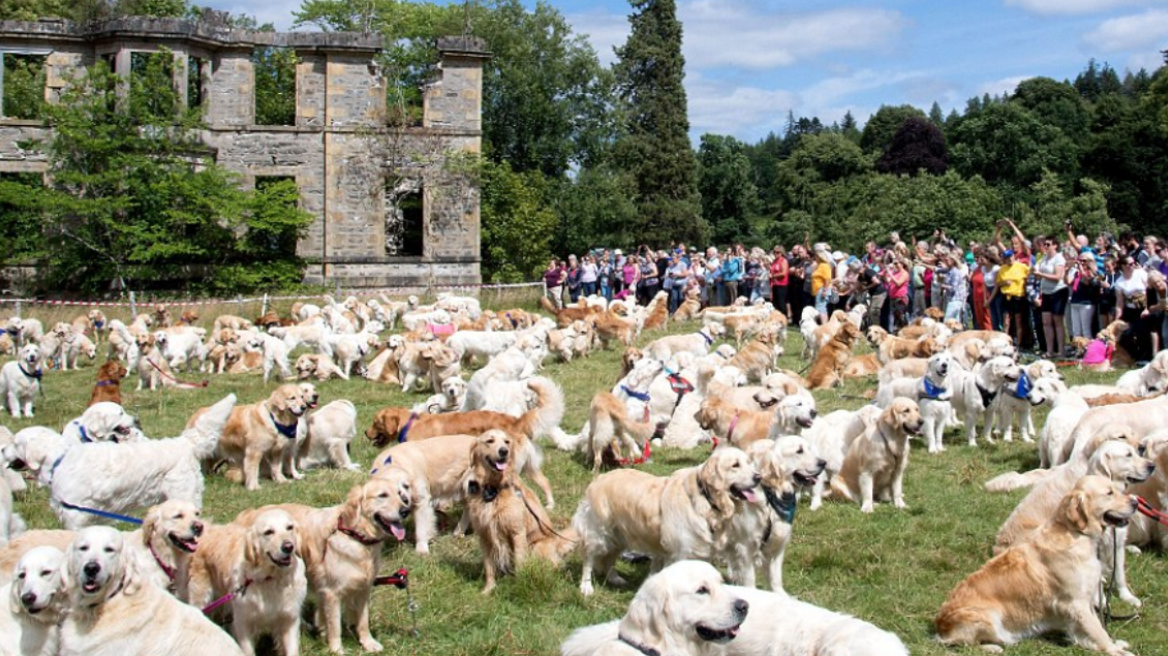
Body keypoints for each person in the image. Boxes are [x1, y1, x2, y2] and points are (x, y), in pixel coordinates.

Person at [1034, 237, 1068, 357]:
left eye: (1048, 244)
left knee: (1057, 321)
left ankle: (1061, 351)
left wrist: (1041, 274)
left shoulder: (1059, 258)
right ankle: (1050, 350)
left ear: (1055, 246)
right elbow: (1038, 273)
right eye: (1045, 244)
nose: (1046, 247)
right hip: (1046, 292)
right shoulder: (1044, 258)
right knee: (1046, 321)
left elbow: (1058, 276)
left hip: (1058, 291)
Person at [1115, 254, 1149, 359]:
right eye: (1130, 264)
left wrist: (1147, 308)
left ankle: (1145, 357)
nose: (1133, 265)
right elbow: (1120, 303)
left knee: (1141, 332)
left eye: (1134, 263)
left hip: (1144, 308)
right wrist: (1117, 319)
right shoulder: (1119, 282)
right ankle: (1133, 356)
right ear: (1123, 266)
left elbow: (1149, 291)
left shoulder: (1141, 274)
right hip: (1131, 310)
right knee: (1126, 334)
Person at [995, 249, 1030, 348]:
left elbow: (1029, 276)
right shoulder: (1002, 269)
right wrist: (1004, 283)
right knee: (1006, 321)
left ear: (1014, 256)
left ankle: (1018, 344)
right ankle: (1005, 343)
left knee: (1018, 320)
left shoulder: (1021, 267)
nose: (1009, 259)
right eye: (1006, 258)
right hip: (1006, 296)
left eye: (1010, 257)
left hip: (1018, 296)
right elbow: (998, 283)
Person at [1067, 251, 1101, 342]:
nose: (1081, 262)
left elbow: (1087, 280)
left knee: (1086, 329)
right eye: (1079, 260)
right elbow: (1068, 282)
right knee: (1076, 330)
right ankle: (1079, 349)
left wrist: (1081, 268)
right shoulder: (1077, 273)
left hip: (1086, 303)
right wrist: (1067, 271)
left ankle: (1088, 349)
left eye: (1083, 261)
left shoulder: (1092, 273)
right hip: (1075, 301)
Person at [883, 258, 910, 329]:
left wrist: (890, 274)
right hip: (893, 298)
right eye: (894, 263)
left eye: (896, 263)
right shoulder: (895, 272)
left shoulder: (905, 273)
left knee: (901, 317)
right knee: (895, 318)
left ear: (902, 264)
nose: (894, 265)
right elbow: (888, 281)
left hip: (900, 298)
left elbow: (899, 283)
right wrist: (885, 274)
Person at [811, 249, 833, 322]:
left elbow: (827, 279)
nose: (815, 258)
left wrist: (824, 290)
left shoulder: (824, 266)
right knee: (822, 308)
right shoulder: (819, 265)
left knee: (821, 309)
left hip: (822, 289)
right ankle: (824, 325)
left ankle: (824, 326)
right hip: (819, 290)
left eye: (816, 257)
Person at [769, 246, 789, 316]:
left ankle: (783, 318)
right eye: (774, 252)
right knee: (775, 303)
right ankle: (777, 318)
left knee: (781, 303)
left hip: (782, 285)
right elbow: (771, 272)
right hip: (775, 285)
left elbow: (784, 273)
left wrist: (773, 276)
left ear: (781, 253)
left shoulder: (783, 261)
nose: (775, 254)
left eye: (777, 252)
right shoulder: (774, 261)